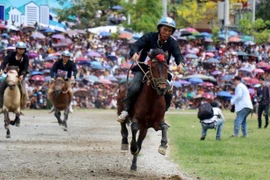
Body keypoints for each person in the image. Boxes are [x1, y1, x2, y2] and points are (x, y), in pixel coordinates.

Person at [117, 17, 185, 122]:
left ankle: (162, 114)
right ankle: (126, 110)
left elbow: (178, 55)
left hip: (161, 72)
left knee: (169, 92)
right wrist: (134, 53)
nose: (167, 33)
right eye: (165, 30)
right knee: (134, 87)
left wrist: (180, 64)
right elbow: (136, 45)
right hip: (144, 69)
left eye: (170, 31)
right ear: (159, 28)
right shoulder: (149, 37)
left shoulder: (172, 43)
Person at [0, 41, 29, 110]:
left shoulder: (25, 57)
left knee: (24, 92)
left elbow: (25, 68)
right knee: (1, 89)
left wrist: (22, 75)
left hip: (19, 77)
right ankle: (1, 105)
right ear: (16, 49)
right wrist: (1, 69)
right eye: (19, 49)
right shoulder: (11, 54)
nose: (21, 50)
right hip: (10, 75)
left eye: (22, 49)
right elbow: (4, 63)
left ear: (24, 50)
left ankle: (22, 105)